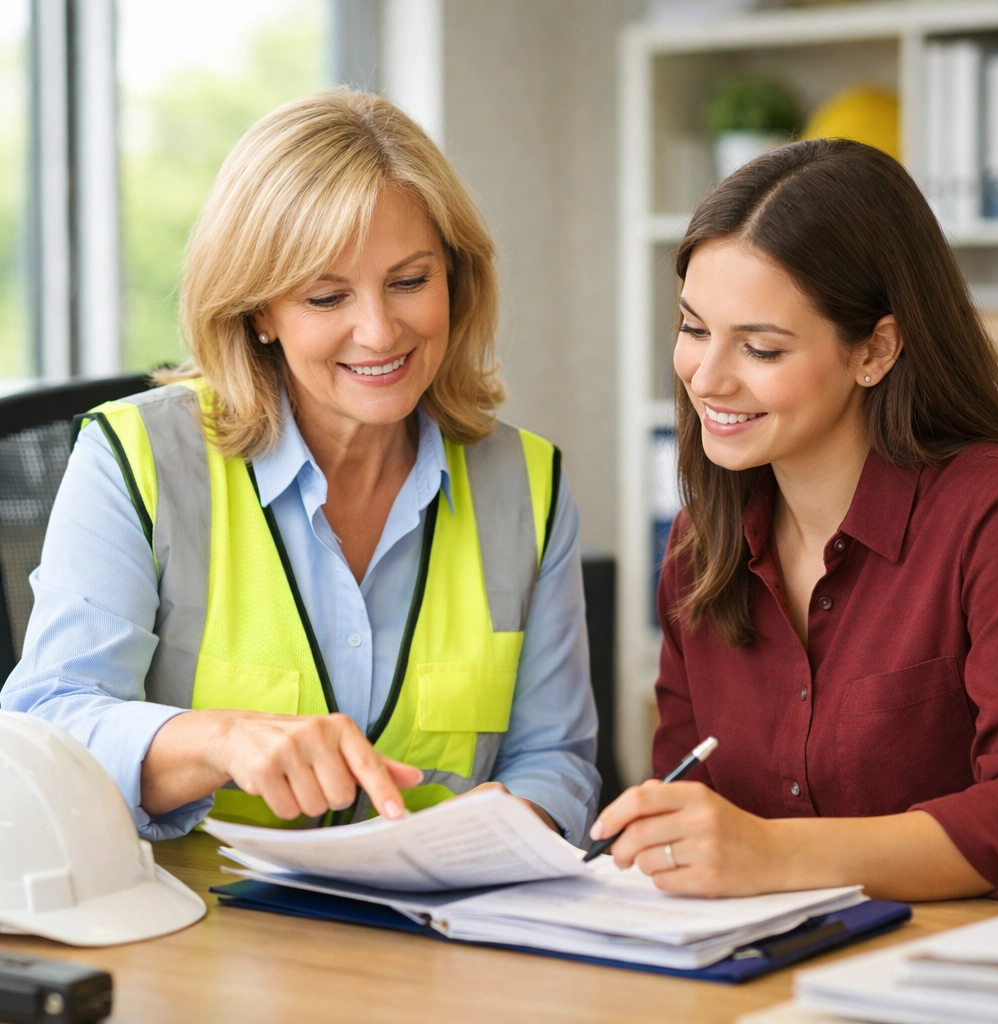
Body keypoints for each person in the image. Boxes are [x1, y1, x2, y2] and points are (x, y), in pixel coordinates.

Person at [1, 89, 599, 844]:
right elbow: (47, 726)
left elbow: (555, 759)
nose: (378, 331)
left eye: (410, 281)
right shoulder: (138, 460)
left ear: (455, 277)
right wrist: (220, 742)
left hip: (439, 911)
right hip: (194, 909)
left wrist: (497, 837)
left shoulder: (528, 483)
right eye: (326, 296)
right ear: (258, 311)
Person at [591, 139, 998, 901]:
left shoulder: (997, 511)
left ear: (875, 349)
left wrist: (773, 853)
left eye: (760, 348)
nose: (707, 378)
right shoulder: (699, 543)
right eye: (693, 329)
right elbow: (685, 798)